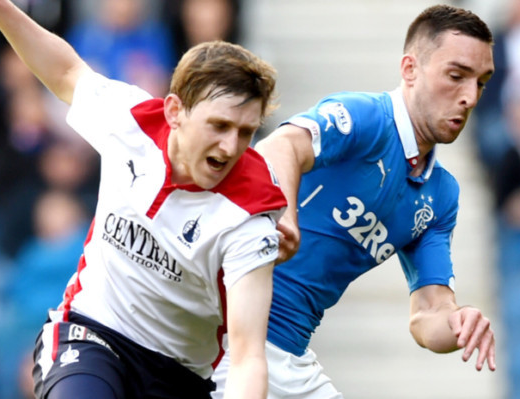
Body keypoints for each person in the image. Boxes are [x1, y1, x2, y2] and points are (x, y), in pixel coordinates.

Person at [0, 1, 286, 399]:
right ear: (175, 111)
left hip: (179, 376)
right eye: (219, 125)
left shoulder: (250, 214)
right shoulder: (132, 121)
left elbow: (246, 357)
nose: (231, 146)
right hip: (90, 335)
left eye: (245, 132)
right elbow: (67, 70)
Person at [211, 4, 497, 398]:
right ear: (410, 69)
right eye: (456, 76)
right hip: (226, 330)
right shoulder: (366, 118)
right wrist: (286, 218)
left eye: (481, 82)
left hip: (288, 352)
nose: (470, 97)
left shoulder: (441, 196)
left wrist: (458, 324)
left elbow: (427, 314)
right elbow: (281, 146)